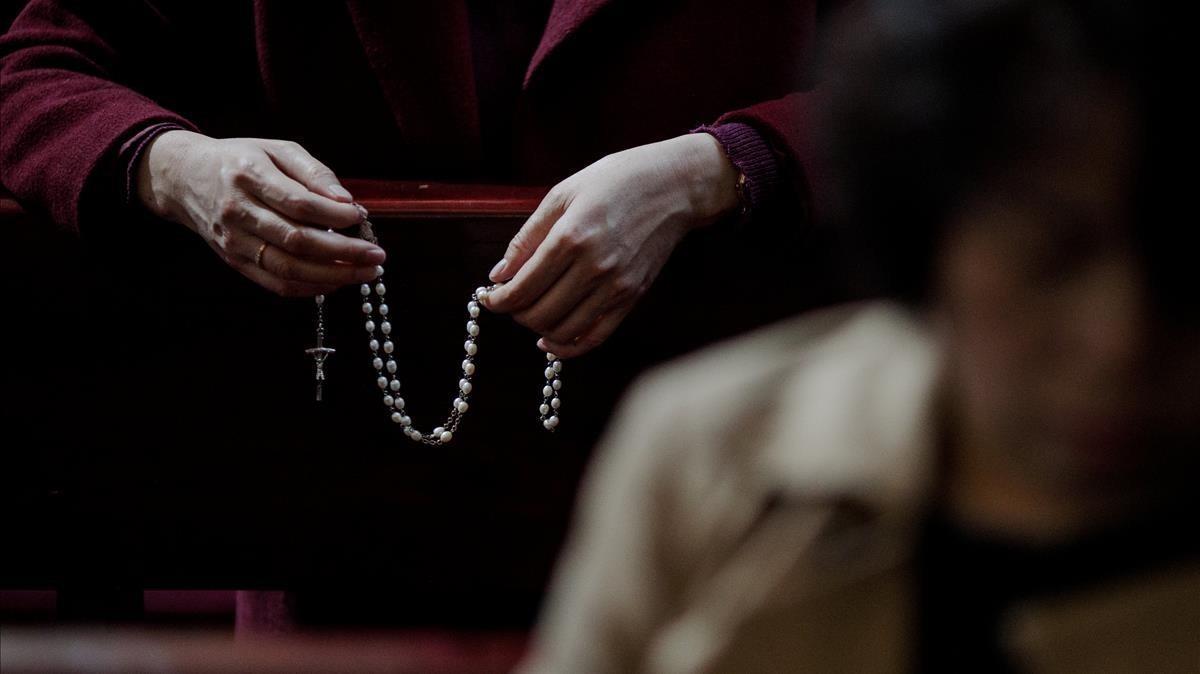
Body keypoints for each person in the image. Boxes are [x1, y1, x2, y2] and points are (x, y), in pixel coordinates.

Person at [0, 1, 839, 625]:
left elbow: (953, 87)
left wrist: (722, 166)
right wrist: (174, 166)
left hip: (719, 537)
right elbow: (30, 67)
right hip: (336, 545)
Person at [521, 0, 1199, 670]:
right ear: (928, 230)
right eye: (1050, 257)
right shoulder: (707, 450)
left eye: (1188, 267)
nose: (1122, 343)